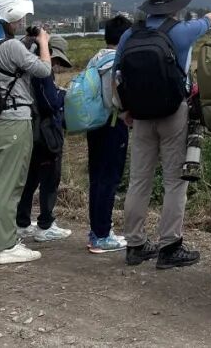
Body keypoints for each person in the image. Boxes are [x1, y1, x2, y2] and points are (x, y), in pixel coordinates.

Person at [118, 0, 211, 269]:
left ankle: (135, 245)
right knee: (175, 180)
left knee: (139, 180)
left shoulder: (129, 35)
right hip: (173, 111)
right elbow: (210, 20)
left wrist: (126, 108)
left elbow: (118, 76)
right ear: (177, 6)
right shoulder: (181, 31)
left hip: (139, 115)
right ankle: (169, 246)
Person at [0, 0, 54, 265]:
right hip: (12, 121)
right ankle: (8, 245)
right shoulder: (11, 47)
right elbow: (43, 71)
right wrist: (43, 44)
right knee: (8, 184)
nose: (19, 22)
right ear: (9, 19)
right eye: (16, 18)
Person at [16, 35, 73, 243]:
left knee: (29, 180)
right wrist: (62, 97)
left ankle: (21, 223)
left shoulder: (26, 68)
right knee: (50, 180)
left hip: (29, 131)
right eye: (56, 61)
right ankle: (45, 224)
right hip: (47, 134)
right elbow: (49, 102)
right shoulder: (43, 71)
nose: (56, 66)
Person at [85, 14, 133, 253]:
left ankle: (96, 230)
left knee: (96, 178)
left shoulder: (96, 58)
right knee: (109, 179)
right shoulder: (116, 60)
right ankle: (102, 235)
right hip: (113, 124)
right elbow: (116, 98)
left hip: (93, 125)